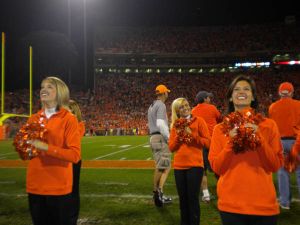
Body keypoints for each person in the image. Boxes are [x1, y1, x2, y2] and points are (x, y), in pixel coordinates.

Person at [209, 75, 283, 225]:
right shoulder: (220, 129)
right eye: (236, 89)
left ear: (253, 96)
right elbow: (217, 168)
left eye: (246, 89)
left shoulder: (269, 125)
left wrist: (259, 139)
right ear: (230, 97)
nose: (241, 91)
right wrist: (231, 143)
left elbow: (275, 165)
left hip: (264, 205)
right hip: (231, 205)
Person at [23, 76, 81, 225]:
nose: (43, 89)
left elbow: (74, 155)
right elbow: (27, 153)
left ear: (60, 92)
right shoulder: (33, 118)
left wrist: (46, 147)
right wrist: (25, 147)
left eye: (49, 87)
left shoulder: (69, 119)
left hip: (58, 187)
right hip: (35, 185)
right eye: (42, 86)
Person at [169, 98, 210, 225]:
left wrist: (192, 135)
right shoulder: (175, 125)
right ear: (177, 110)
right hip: (179, 167)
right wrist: (179, 136)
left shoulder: (199, 121)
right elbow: (171, 147)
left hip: (195, 166)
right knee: (183, 200)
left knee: (192, 200)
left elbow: (208, 143)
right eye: (182, 107)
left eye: (187, 105)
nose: (186, 108)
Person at [268, 82, 300, 210]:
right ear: (291, 92)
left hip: (280, 142)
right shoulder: (298, 105)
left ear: (280, 93)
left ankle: (285, 202)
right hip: (296, 141)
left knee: (282, 172)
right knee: (299, 172)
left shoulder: (272, 107)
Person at [192, 90, 222, 202]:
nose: (210, 99)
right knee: (218, 167)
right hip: (213, 142)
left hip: (201, 143)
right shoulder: (212, 108)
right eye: (208, 98)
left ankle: (206, 194)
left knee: (202, 170)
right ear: (205, 99)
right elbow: (220, 119)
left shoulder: (193, 111)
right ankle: (223, 191)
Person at [147, 84, 172, 207]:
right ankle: (158, 193)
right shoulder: (161, 105)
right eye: (166, 92)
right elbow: (161, 123)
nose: (168, 94)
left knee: (160, 166)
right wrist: (169, 137)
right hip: (159, 137)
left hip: (153, 136)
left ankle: (157, 193)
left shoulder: (152, 105)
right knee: (165, 167)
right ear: (163, 93)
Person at [69, 99, 86, 224]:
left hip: (73, 160)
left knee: (73, 190)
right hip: (64, 160)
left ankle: (72, 217)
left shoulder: (79, 124)